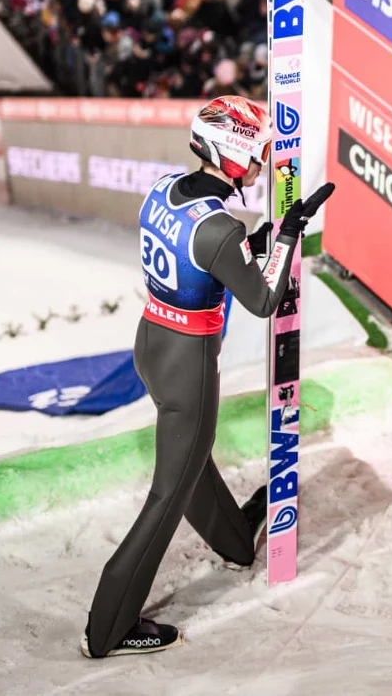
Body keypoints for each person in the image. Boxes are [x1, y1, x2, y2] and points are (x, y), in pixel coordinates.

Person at [83, 95, 333, 658]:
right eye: (259, 151)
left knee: (191, 463)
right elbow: (263, 298)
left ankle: (236, 541)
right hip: (189, 363)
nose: (265, 160)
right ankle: (107, 628)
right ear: (234, 156)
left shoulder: (166, 188)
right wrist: (289, 233)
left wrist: (266, 236)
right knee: (166, 496)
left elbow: (216, 254)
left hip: (152, 341)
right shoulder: (220, 228)